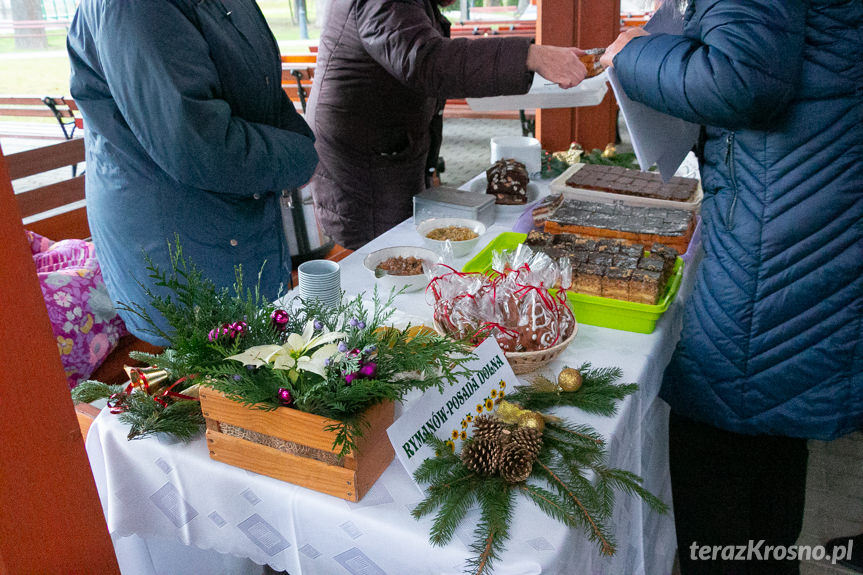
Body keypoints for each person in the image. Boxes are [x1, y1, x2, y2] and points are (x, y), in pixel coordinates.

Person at [601, 0, 862, 573]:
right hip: (809, 220)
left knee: (719, 442)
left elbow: (741, 80)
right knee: (775, 424)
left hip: (775, 241)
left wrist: (636, 53)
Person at [66, 0, 318, 346]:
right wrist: (299, 157)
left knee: (261, 367)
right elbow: (198, 144)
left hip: (236, 226)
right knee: (222, 382)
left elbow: (262, 89)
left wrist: (298, 146)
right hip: (177, 239)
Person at [306, 0, 587, 250]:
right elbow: (425, 60)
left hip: (387, 146)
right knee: (386, 255)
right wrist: (530, 56)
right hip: (366, 159)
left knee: (402, 245)